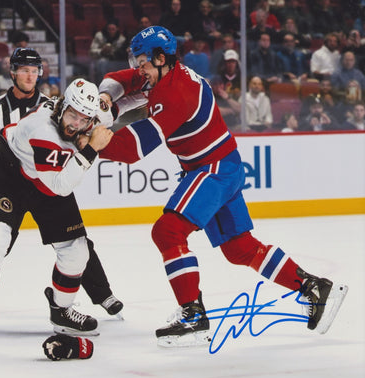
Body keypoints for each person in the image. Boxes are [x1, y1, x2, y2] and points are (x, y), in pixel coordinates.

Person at [97, 26, 347, 346]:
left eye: (143, 61)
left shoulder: (175, 93)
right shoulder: (165, 74)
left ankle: (193, 316)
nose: (138, 68)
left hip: (211, 169)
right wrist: (105, 97)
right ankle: (315, 287)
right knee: (239, 249)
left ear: (161, 59)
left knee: (167, 232)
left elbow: (131, 150)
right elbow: (124, 79)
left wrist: (90, 142)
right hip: (223, 165)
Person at [0, 48, 123, 329]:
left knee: (78, 248)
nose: (76, 124)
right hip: (10, 176)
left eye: (84, 120)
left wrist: (122, 98)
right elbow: (59, 185)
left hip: (44, 179)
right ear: (13, 73)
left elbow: (114, 106)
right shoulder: (40, 126)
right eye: (73, 116)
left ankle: (65, 308)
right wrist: (90, 149)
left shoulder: (74, 111)